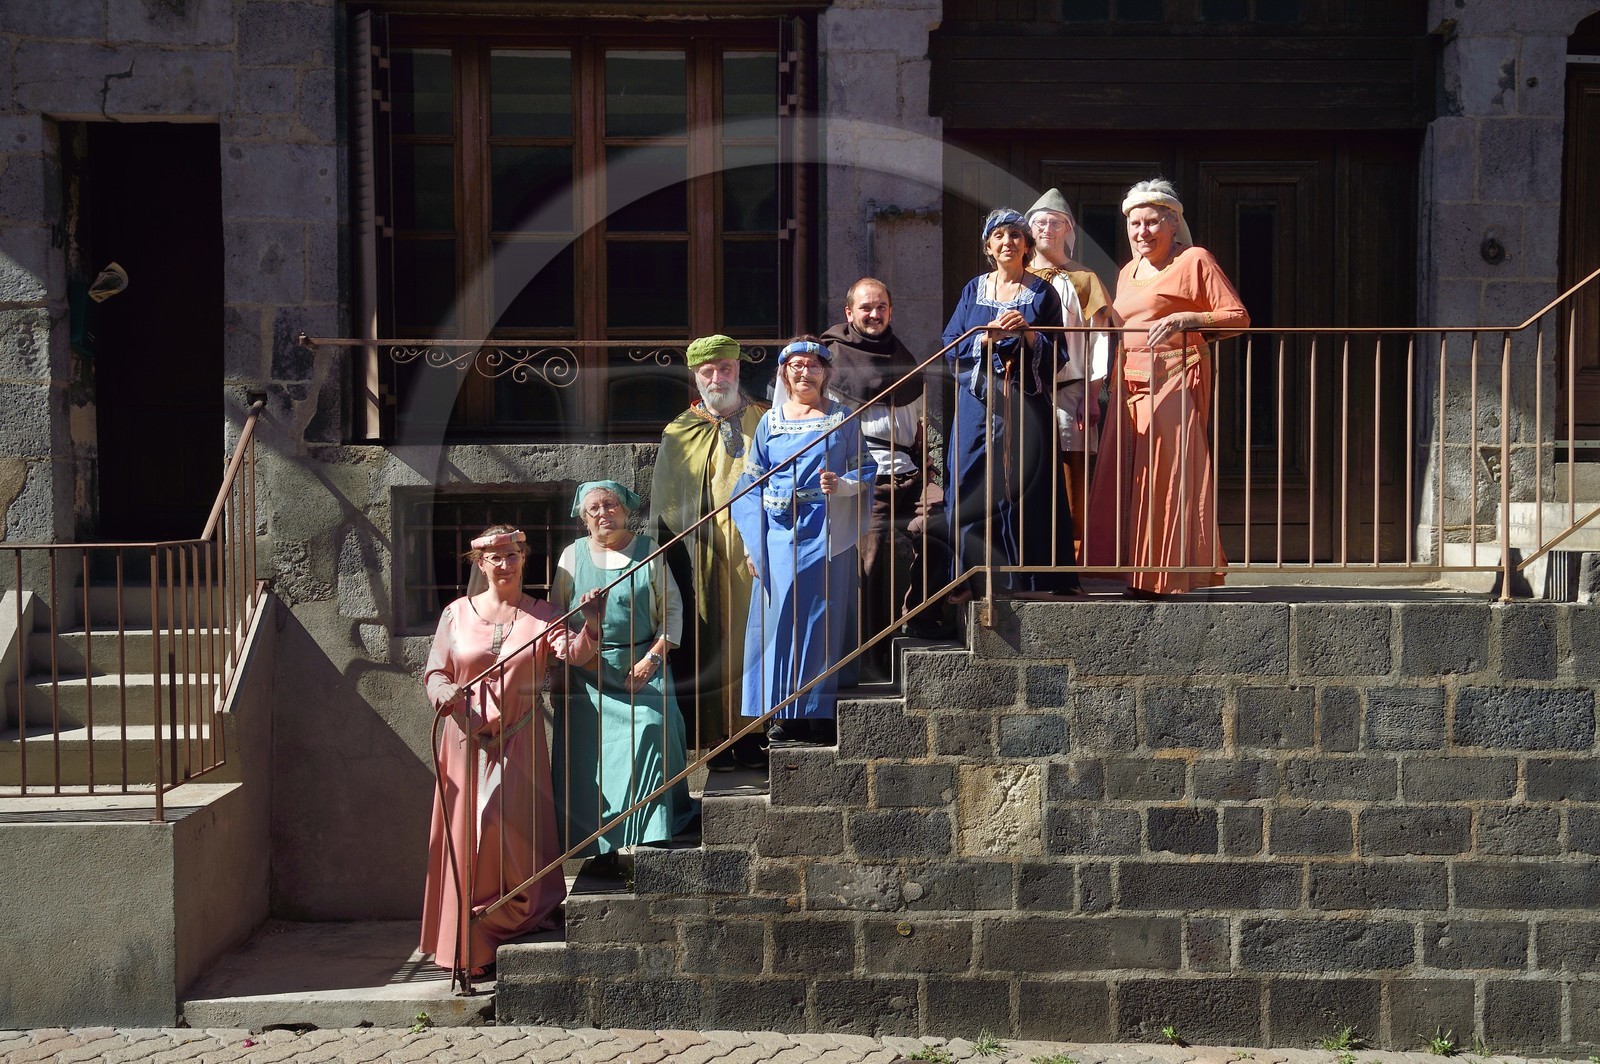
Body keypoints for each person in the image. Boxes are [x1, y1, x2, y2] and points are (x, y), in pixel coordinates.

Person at [421, 524, 605, 977]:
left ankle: (512, 917)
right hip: (464, 740)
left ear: (524, 560)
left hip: (520, 739)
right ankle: (468, 946)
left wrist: (593, 622)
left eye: (512, 555)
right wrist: (443, 693)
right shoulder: (455, 613)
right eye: (495, 557)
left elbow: (576, 654)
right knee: (468, 836)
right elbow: (434, 672)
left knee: (510, 836)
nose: (504, 564)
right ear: (480, 564)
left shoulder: (544, 615)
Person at [1084, 178, 1250, 596]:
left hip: (1174, 377)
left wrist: (1188, 319)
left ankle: (1167, 576)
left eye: (1152, 223)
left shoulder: (1195, 260)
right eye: (1135, 224)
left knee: (1165, 476)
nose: (1142, 232)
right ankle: (1134, 574)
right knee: (1132, 480)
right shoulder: (1126, 272)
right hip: (1129, 388)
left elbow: (1238, 317)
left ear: (1173, 224)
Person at [732, 337, 876, 745]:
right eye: (796, 365)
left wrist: (843, 484)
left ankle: (818, 712)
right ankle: (782, 715)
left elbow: (866, 468)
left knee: (820, 620)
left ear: (825, 374)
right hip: (777, 535)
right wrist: (751, 545)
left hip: (824, 530)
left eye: (813, 366)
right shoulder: (769, 422)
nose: (804, 372)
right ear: (784, 374)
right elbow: (750, 484)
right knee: (779, 623)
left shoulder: (843, 418)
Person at [552, 481, 698, 869]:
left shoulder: (650, 552)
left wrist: (653, 658)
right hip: (588, 670)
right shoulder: (571, 556)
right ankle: (600, 848)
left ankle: (654, 831)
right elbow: (557, 619)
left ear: (625, 510)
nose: (604, 514)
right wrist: (573, 652)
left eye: (611, 505)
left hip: (642, 665)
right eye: (594, 509)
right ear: (584, 519)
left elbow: (672, 612)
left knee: (652, 729)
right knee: (592, 758)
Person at [941, 208, 1080, 599]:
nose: (1008, 242)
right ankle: (969, 579)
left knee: (1028, 486)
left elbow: (1060, 354)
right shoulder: (973, 289)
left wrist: (1031, 335)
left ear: (1027, 245)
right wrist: (986, 338)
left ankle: (1033, 578)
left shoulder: (1042, 293)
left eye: (1016, 236)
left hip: (1025, 403)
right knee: (970, 481)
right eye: (999, 236)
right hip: (977, 405)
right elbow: (950, 345)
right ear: (988, 246)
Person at [649, 334, 769, 770]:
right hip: (703, 554)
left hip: (757, 550)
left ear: (738, 370)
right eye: (708, 371)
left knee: (754, 640)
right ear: (696, 376)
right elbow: (666, 504)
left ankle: (757, 732)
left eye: (726, 369)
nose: (718, 378)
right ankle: (717, 738)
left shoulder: (767, 419)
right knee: (710, 639)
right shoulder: (681, 430)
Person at [822, 278, 952, 678]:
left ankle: (922, 616)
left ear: (890, 311)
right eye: (866, 308)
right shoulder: (830, 358)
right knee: (874, 554)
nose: (874, 314)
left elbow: (915, 428)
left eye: (881, 307)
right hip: (864, 478)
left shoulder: (902, 355)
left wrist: (926, 472)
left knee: (943, 525)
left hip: (908, 474)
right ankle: (869, 659)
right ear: (849, 312)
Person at [1027, 188, 1117, 545]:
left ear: (1068, 230)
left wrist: (1092, 395)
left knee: (1072, 471)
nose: (1046, 229)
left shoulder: (1083, 279)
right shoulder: (1019, 279)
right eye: (1039, 223)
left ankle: (1073, 551)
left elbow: (1099, 339)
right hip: (1030, 389)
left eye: (1054, 222)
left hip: (1071, 391)